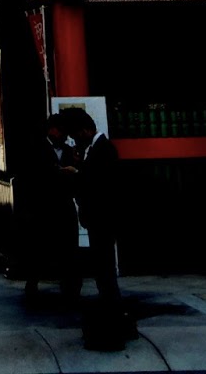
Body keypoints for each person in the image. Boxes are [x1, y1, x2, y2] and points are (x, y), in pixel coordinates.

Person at [59, 106, 131, 349]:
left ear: (87, 129)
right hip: (97, 218)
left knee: (106, 270)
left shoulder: (104, 150)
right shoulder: (92, 150)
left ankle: (115, 321)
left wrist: (77, 174)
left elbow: (101, 185)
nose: (74, 139)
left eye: (76, 133)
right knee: (103, 270)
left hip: (104, 218)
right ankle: (114, 317)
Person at [22, 113, 80, 303]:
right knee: (38, 247)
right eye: (60, 129)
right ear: (51, 129)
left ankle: (70, 286)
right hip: (42, 205)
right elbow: (31, 176)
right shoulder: (36, 148)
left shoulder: (69, 151)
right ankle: (32, 283)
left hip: (64, 205)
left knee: (69, 248)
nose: (63, 134)